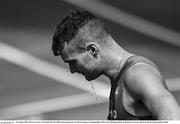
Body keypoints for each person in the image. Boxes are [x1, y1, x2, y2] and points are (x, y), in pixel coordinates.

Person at [52, 10, 180, 120]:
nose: (72, 70)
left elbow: (173, 116)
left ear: (92, 50)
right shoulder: (119, 79)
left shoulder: (138, 74)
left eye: (73, 62)